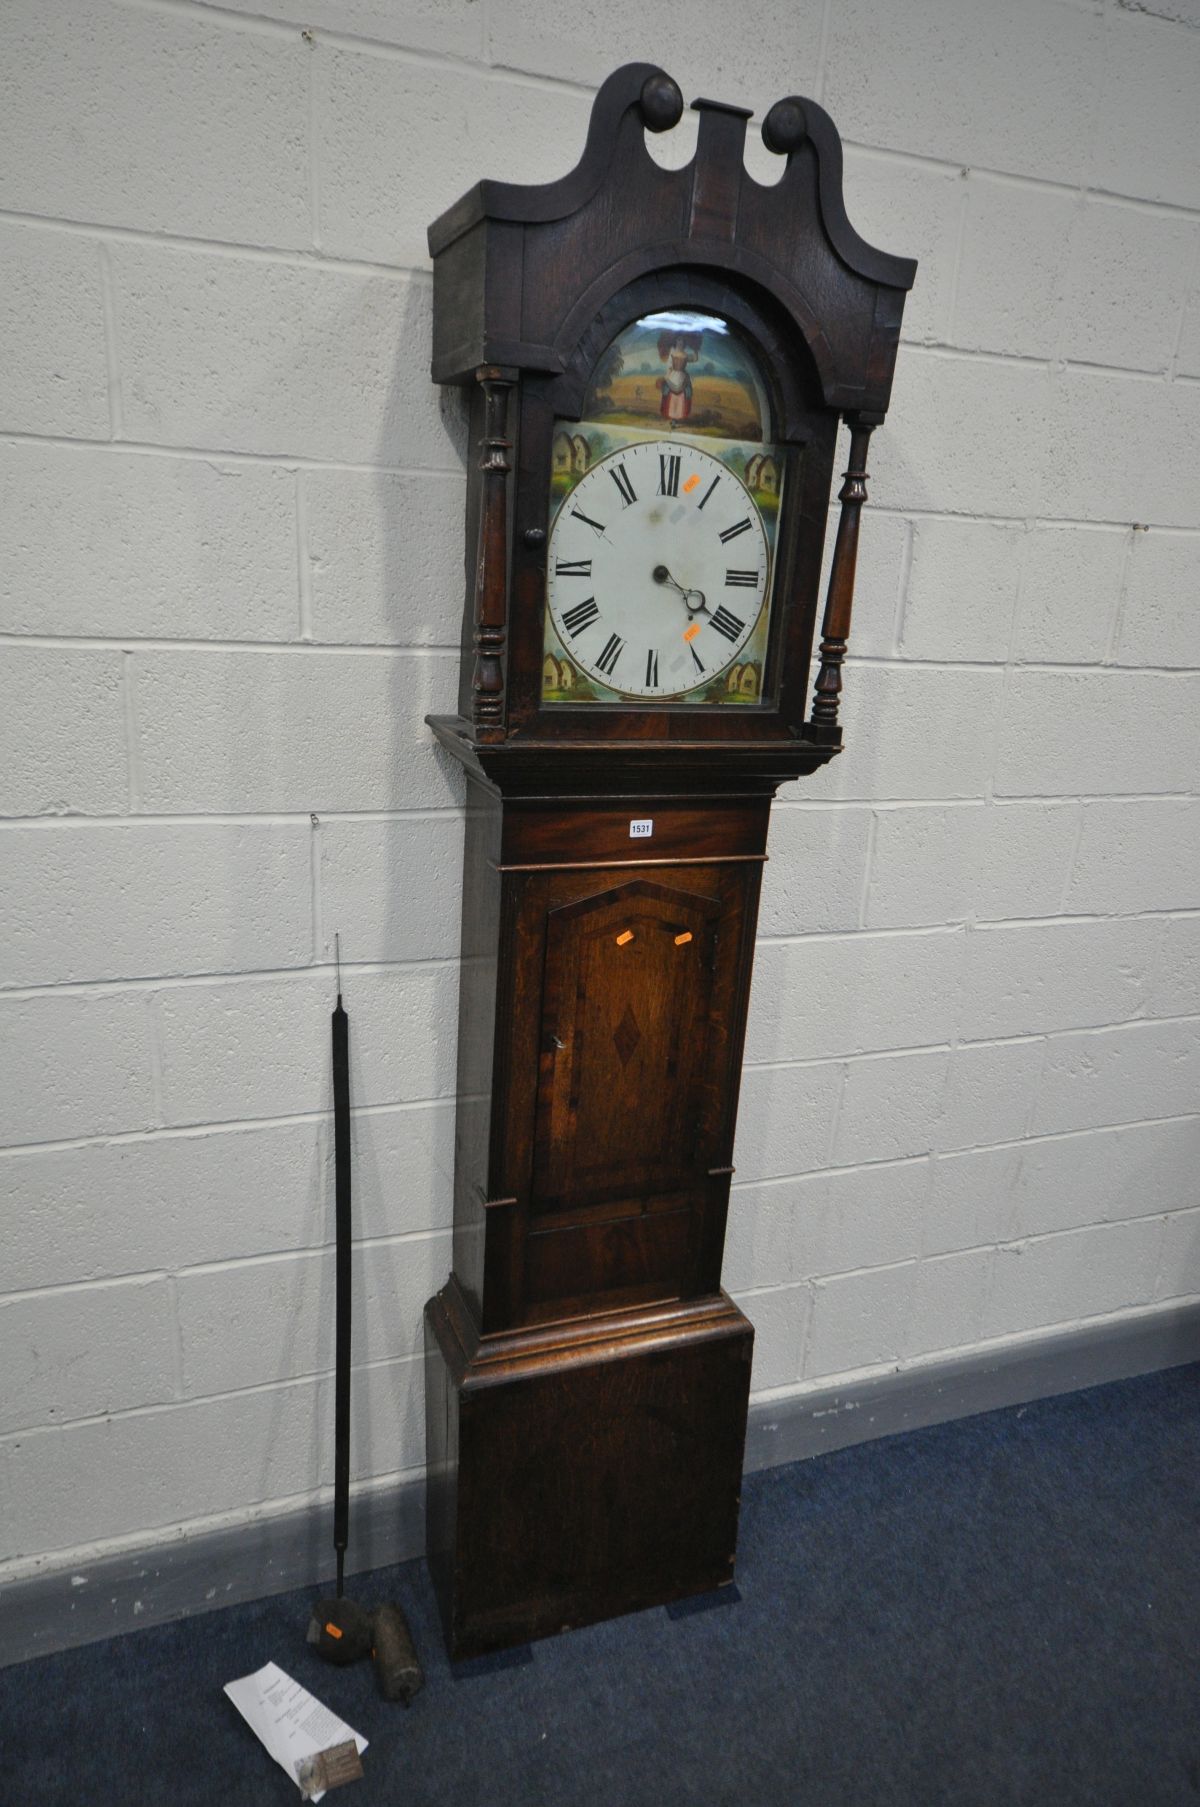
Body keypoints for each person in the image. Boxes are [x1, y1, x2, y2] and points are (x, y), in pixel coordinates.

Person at [658, 333, 699, 424]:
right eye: (678, 341)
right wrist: (666, 377)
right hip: (673, 375)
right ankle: (672, 417)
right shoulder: (672, 353)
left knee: (683, 396)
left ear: (684, 343)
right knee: (670, 395)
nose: (680, 343)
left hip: (683, 377)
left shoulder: (685, 354)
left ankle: (678, 417)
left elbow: (695, 359)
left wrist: (695, 350)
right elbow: (669, 366)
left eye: (682, 341)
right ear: (675, 342)